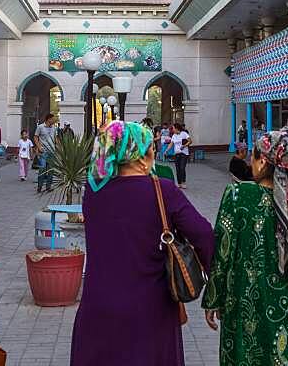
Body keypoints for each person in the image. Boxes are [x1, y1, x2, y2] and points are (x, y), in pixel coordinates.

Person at [70, 121, 214, 365]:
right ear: (141, 155)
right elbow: (203, 234)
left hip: (99, 309)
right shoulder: (163, 191)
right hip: (151, 311)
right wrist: (214, 286)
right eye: (151, 148)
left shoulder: (93, 193)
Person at [203, 131, 288, 365]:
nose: (250, 162)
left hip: (246, 304)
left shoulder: (237, 195)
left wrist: (214, 298)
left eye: (253, 156)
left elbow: (223, 252)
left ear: (262, 161)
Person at [34, 113, 57, 193]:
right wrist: (39, 146)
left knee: (51, 170)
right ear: (49, 119)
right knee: (42, 169)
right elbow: (35, 137)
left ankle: (48, 187)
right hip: (43, 152)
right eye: (53, 119)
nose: (54, 120)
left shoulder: (54, 128)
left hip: (52, 151)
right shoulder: (40, 127)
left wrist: (59, 149)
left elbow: (56, 139)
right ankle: (39, 187)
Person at [169, 123, 191, 189]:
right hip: (177, 154)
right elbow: (171, 143)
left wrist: (184, 146)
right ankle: (179, 183)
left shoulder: (184, 134)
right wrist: (166, 150)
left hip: (184, 154)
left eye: (173, 128)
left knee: (182, 168)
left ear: (176, 128)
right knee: (177, 169)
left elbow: (190, 141)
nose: (172, 130)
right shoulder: (174, 135)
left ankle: (183, 182)